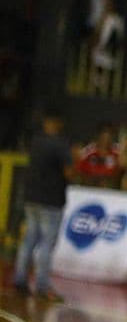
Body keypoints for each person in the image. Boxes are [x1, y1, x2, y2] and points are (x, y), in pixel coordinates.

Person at [12, 110, 72, 302]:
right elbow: (69, 173)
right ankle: (42, 285)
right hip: (50, 201)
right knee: (47, 242)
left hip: (31, 198)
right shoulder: (61, 145)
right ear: (58, 123)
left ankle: (20, 279)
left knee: (29, 239)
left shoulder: (36, 141)